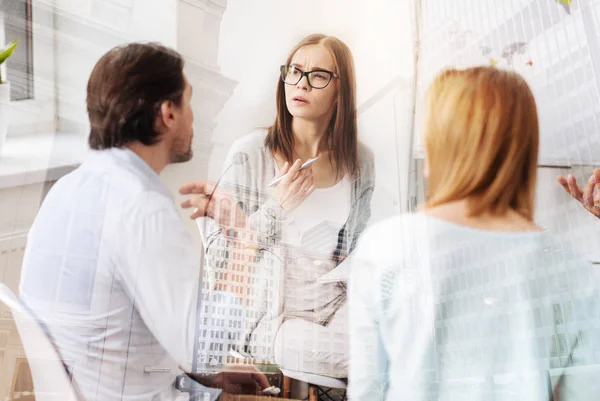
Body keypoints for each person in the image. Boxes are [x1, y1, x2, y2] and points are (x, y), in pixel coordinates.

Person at [19, 42, 268, 401]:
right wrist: (244, 240)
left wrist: (199, 372)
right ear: (168, 113)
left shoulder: (66, 190)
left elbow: (114, 331)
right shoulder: (143, 207)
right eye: (188, 101)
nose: (193, 116)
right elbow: (205, 349)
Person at [348, 67, 600, 400]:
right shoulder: (576, 272)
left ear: (441, 147)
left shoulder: (384, 248)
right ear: (524, 151)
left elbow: (366, 390)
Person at [193, 33, 375, 379]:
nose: (301, 83)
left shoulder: (361, 162)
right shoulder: (250, 153)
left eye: (318, 75)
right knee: (372, 360)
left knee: (395, 339)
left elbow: (355, 247)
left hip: (337, 308)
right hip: (275, 322)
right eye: (295, 71)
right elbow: (219, 258)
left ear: (341, 91)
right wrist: (277, 208)